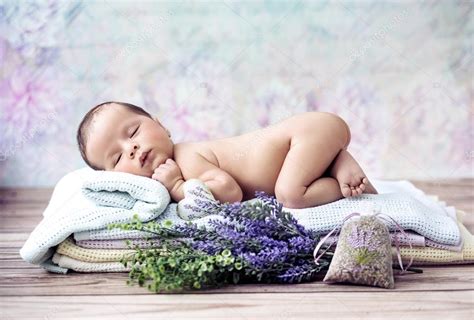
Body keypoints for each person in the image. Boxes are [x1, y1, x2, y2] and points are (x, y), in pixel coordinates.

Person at [77, 101, 377, 209]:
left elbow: (230, 192)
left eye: (132, 133)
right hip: (305, 143)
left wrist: (179, 187)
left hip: (307, 133)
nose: (130, 149)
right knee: (293, 185)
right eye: (116, 159)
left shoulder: (186, 159)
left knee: (291, 195)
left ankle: (344, 176)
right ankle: (333, 162)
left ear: (162, 126)